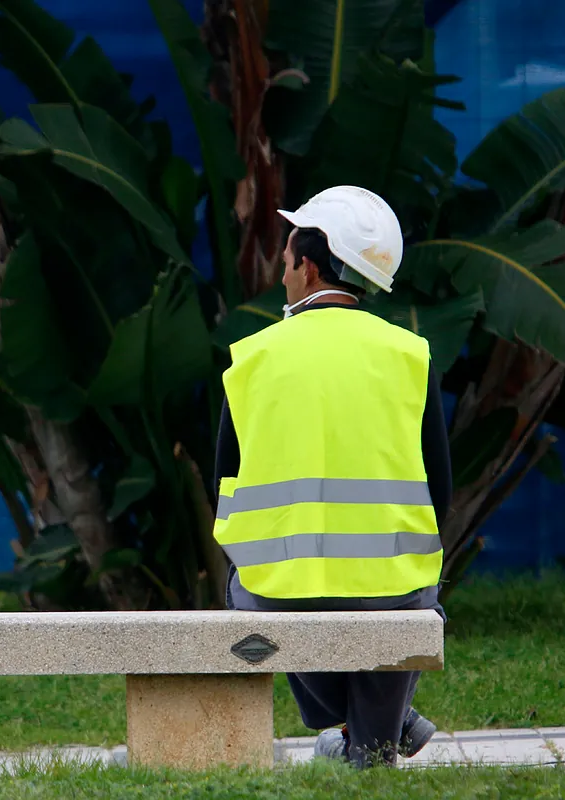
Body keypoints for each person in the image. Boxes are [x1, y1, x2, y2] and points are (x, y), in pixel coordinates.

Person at [213, 185, 452, 768]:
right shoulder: (410, 354)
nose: (284, 269)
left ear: (309, 265)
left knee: (248, 588)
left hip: (278, 592)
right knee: (413, 601)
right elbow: (440, 489)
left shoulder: (254, 357)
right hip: (395, 591)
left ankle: (358, 738)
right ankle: (376, 737)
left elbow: (224, 481)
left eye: (288, 255)